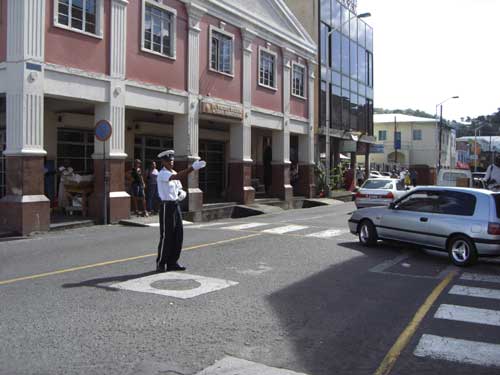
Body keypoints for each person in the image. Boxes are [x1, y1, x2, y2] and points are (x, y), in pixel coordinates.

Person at [156, 150, 206, 273]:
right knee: (167, 236)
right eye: (168, 161)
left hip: (175, 205)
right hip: (166, 206)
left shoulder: (173, 172)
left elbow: (178, 186)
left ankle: (173, 262)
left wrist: (181, 193)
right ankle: (161, 263)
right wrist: (192, 168)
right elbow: (177, 177)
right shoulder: (162, 174)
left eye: (172, 161)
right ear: (163, 162)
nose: (171, 163)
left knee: (178, 235)